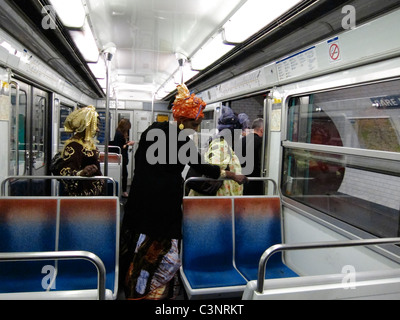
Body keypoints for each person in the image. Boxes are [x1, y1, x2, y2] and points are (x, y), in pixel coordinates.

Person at [120, 84, 247, 300]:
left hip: (140, 203)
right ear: (181, 120)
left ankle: (137, 290)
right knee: (164, 255)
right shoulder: (179, 140)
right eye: (193, 123)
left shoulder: (152, 130)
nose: (196, 129)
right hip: (164, 208)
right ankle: (155, 294)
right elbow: (205, 168)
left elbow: (140, 164)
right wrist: (232, 175)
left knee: (140, 251)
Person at [188, 106, 245, 197]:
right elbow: (212, 170)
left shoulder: (224, 145)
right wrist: (233, 175)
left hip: (223, 198)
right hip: (216, 199)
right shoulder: (220, 145)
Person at [54, 105, 104, 196]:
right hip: (81, 195)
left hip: (94, 191)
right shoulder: (74, 146)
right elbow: (65, 173)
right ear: (86, 126)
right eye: (95, 126)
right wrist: (81, 173)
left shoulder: (89, 144)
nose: (98, 130)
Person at [110, 119, 135, 197]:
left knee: (124, 174)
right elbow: (120, 147)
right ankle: (124, 191)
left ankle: (123, 191)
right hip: (121, 157)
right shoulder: (119, 134)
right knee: (124, 174)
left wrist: (126, 143)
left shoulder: (119, 133)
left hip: (122, 157)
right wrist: (128, 144)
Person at [241, 118, 264, 195]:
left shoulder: (242, 140)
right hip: (255, 181)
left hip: (241, 179)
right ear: (261, 130)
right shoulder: (261, 143)